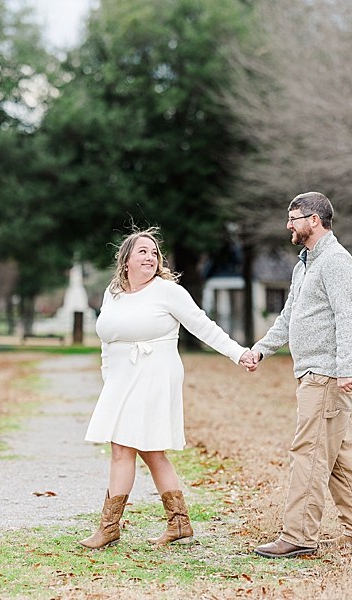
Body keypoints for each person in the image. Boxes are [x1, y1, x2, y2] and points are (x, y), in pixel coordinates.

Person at [80, 228, 257, 550]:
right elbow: (107, 341)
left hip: (154, 373)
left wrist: (238, 353)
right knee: (148, 451)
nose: (150, 257)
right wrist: (109, 377)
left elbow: (203, 325)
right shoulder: (113, 293)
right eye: (142, 252)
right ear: (126, 261)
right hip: (121, 378)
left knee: (125, 447)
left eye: (154, 253)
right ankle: (179, 524)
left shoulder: (167, 292)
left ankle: (109, 528)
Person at [246, 192, 352, 558]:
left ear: (315, 220)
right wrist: (261, 349)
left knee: (309, 453)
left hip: (326, 375)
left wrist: (347, 368)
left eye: (294, 218)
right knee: (339, 455)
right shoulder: (304, 264)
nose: (288, 225)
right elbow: (289, 317)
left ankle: (299, 535)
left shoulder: (336, 261)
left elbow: (350, 317)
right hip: (313, 373)